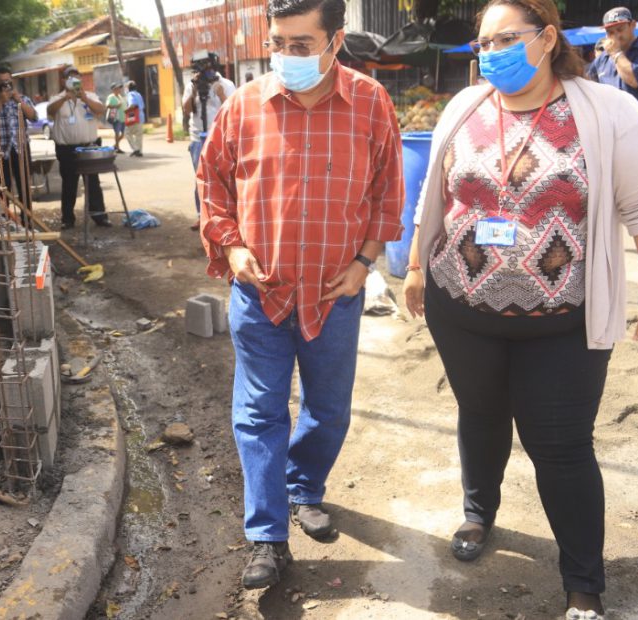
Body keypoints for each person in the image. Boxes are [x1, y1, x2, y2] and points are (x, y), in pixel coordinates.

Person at [403, 1, 638, 616]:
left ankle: (583, 584)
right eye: (483, 43)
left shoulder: (608, 112)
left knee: (560, 447)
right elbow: (433, 194)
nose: (491, 53)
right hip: (462, 310)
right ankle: (479, 512)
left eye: (507, 39)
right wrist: (417, 267)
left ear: (548, 37)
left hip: (563, 323)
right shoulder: (465, 105)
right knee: (480, 414)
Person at [198, 0, 404, 591]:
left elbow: (387, 190)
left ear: (335, 41)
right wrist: (231, 248)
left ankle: (304, 487)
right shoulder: (242, 106)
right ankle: (267, 537)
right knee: (259, 412)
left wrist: (364, 263)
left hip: (335, 291)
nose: (285, 56)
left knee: (328, 407)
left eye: (300, 44)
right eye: (277, 43)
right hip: (259, 292)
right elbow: (212, 184)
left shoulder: (371, 102)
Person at [48, 65, 111, 229]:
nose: (74, 80)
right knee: (69, 184)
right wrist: (65, 98)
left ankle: (99, 216)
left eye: (77, 76)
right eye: (70, 77)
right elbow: (50, 111)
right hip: (66, 149)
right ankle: (68, 219)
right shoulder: (57, 98)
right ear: (63, 80)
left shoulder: (90, 96)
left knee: (93, 183)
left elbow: (101, 110)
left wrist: (84, 98)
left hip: (89, 147)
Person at [185, 52, 236, 230]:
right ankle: (202, 216)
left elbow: (234, 111)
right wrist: (193, 92)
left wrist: (221, 94)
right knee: (201, 179)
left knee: (225, 178)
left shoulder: (226, 84)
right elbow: (186, 110)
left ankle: (227, 217)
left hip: (221, 138)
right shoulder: (191, 85)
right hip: (197, 139)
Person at [585, 7, 638, 119]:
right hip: (609, 123)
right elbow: (588, 83)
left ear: (632, 25)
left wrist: (616, 53)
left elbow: (634, 80)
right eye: (610, 32)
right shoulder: (603, 58)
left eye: (620, 29)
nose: (616, 36)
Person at [0, 65, 37, 213]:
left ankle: (27, 220)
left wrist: (18, 101)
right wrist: (0, 101)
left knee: (24, 187)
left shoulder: (22, 98)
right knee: (3, 189)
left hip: (20, 147)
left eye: (8, 81)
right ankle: (5, 220)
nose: (6, 85)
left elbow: (34, 117)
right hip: (0, 150)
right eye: (2, 82)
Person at [124, 80, 145, 157]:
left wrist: (125, 111)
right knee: (138, 135)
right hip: (141, 116)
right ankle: (139, 150)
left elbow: (132, 105)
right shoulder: (138, 94)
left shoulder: (130, 94)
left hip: (133, 116)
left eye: (126, 87)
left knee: (127, 133)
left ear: (128, 88)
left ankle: (135, 149)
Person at [105, 82, 127, 153]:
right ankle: (117, 148)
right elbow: (107, 105)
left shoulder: (120, 96)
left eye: (119, 88)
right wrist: (116, 106)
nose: (119, 90)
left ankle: (115, 146)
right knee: (117, 133)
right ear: (113, 90)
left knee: (123, 134)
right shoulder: (111, 97)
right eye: (117, 88)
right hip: (116, 118)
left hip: (123, 118)